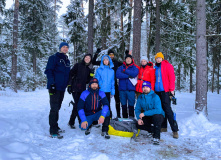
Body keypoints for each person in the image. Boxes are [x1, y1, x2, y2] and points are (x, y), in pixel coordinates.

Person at [45, 42, 70, 139]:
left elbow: (67, 74)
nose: (65, 48)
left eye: (67, 47)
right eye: (63, 47)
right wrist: (51, 84)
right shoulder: (53, 58)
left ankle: (56, 125)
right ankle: (53, 130)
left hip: (62, 88)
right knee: (54, 108)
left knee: (58, 107)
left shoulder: (67, 60)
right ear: (60, 48)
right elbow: (48, 71)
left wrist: (69, 85)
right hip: (54, 87)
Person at [154, 52, 179, 139]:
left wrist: (172, 89)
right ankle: (163, 126)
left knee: (167, 109)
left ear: (162, 58)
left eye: (160, 58)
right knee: (161, 109)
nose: (158, 59)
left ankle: (174, 130)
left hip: (165, 91)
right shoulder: (155, 67)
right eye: (157, 58)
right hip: (157, 91)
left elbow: (172, 77)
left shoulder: (167, 65)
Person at [92, 49, 123, 118]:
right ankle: (108, 115)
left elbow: (125, 63)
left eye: (112, 54)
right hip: (103, 86)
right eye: (110, 54)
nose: (111, 56)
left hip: (113, 84)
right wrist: (96, 53)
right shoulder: (102, 64)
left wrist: (127, 55)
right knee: (103, 103)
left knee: (117, 100)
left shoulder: (116, 62)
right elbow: (93, 62)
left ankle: (118, 115)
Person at [67, 54, 94, 129]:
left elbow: (88, 81)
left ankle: (71, 122)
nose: (87, 59)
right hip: (75, 88)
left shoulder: (88, 69)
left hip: (82, 90)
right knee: (78, 105)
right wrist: (69, 85)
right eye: (86, 57)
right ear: (84, 58)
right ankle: (80, 122)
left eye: (89, 58)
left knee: (77, 105)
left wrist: (91, 74)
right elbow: (70, 74)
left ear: (90, 60)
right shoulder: (78, 65)